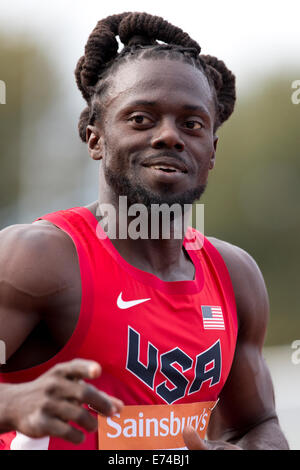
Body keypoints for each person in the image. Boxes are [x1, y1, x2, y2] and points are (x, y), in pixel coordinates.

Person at [0, 12, 289, 451]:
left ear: (211, 151)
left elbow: (258, 424)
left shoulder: (236, 276)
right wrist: (15, 400)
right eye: (141, 118)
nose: (169, 136)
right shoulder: (38, 258)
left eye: (192, 124)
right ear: (95, 139)